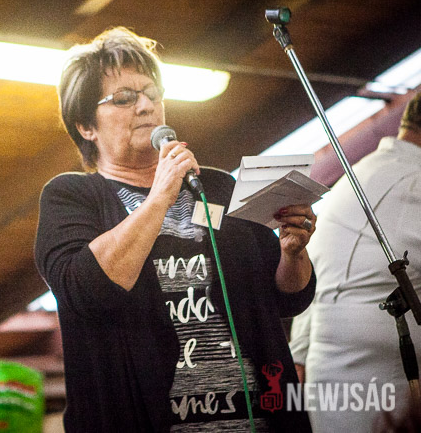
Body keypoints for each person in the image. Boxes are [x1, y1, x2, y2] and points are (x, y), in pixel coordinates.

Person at [34, 26, 316, 432]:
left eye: (153, 93)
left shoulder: (217, 187)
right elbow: (89, 290)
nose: (146, 106)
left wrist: (292, 252)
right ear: (85, 126)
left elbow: (289, 296)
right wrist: (160, 195)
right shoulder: (70, 196)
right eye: (124, 98)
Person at [289, 91, 421, 432]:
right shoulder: (414, 183)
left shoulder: (355, 175)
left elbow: (314, 273)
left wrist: (299, 355)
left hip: (330, 383)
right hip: (382, 392)